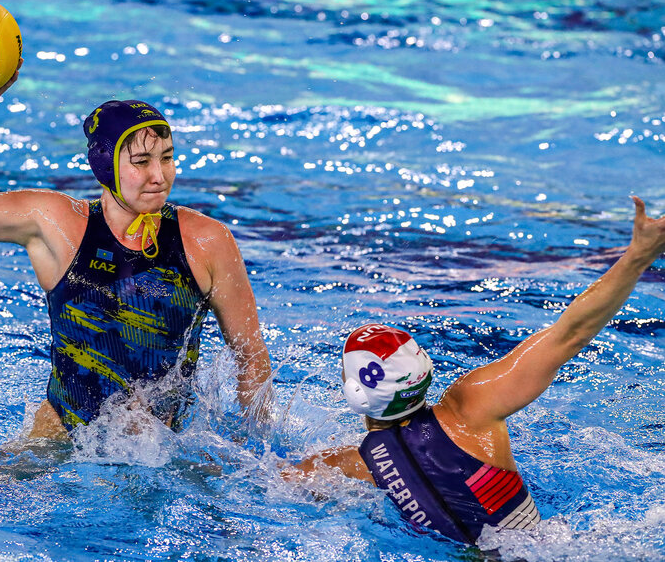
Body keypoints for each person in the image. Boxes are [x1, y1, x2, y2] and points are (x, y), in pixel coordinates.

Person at [0, 65, 274, 439]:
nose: (159, 175)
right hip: (60, 448)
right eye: (141, 161)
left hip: (164, 453)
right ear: (105, 165)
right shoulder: (57, 224)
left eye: (167, 157)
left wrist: (256, 450)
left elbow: (250, 355)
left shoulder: (206, 241)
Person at [284, 197, 665, 545]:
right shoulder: (472, 409)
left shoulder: (349, 465)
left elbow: (262, 482)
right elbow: (571, 334)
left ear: (355, 393)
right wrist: (637, 256)